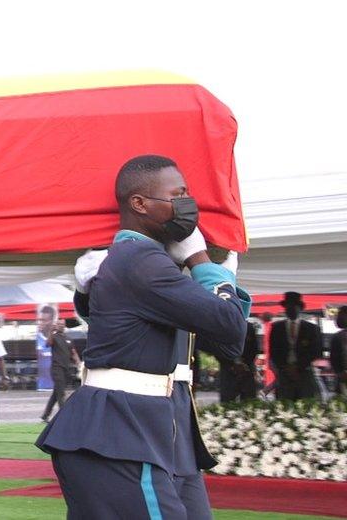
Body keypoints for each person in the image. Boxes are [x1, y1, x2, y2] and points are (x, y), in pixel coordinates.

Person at [37, 155, 251, 519]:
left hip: (157, 430)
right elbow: (229, 323)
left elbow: (229, 343)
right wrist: (202, 262)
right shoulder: (140, 261)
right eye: (178, 194)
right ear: (139, 204)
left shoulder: (149, 261)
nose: (187, 204)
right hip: (121, 432)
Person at [269, 292, 323, 400]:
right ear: (285, 308)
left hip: (304, 373)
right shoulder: (277, 328)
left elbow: (316, 352)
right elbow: (273, 351)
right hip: (284, 374)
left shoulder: (311, 328)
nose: (291, 309)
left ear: (300, 308)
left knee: (306, 406)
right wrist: (285, 368)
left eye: (294, 306)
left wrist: (298, 367)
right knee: (284, 408)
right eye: (288, 306)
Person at [41, 320, 80, 422]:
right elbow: (47, 344)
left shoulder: (68, 339)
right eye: (59, 324)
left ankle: (45, 415)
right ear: (56, 326)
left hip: (66, 369)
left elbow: (73, 352)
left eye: (62, 324)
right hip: (56, 368)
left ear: (65, 326)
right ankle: (63, 416)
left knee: (56, 392)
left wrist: (79, 363)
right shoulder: (54, 337)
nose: (61, 326)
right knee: (61, 393)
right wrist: (51, 331)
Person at [217, 322, 259, 402]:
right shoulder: (221, 328)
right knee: (227, 403)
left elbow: (254, 349)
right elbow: (217, 350)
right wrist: (232, 365)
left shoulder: (249, 327)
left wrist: (244, 364)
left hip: (247, 371)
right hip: (228, 371)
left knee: (249, 403)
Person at [330, 307, 346, 396]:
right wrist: (340, 373)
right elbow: (334, 359)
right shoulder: (337, 337)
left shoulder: (337, 337)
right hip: (342, 379)